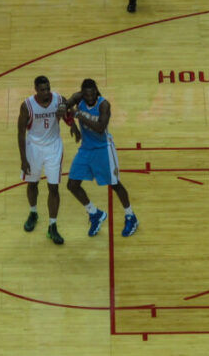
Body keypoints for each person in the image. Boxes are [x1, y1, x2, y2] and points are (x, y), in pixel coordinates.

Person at [64, 79, 139, 237]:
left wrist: (79, 115)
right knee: (72, 185)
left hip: (103, 148)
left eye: (92, 94)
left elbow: (100, 128)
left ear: (96, 92)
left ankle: (131, 216)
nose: (89, 98)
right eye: (86, 95)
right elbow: (64, 105)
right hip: (86, 148)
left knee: (114, 184)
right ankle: (94, 213)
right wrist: (73, 125)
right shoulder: (79, 97)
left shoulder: (104, 105)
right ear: (82, 94)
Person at [18, 75, 79, 246]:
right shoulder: (27, 105)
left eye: (48, 89)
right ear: (36, 90)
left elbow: (67, 114)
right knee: (32, 184)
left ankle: (52, 226)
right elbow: (20, 133)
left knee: (54, 187)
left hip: (53, 147)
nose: (46, 92)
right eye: (42, 90)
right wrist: (23, 158)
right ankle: (33, 212)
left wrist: (73, 125)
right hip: (33, 148)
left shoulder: (59, 100)